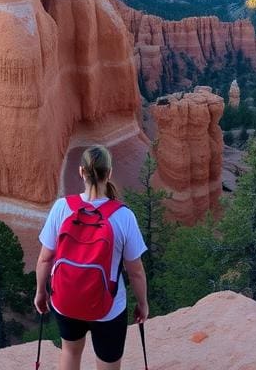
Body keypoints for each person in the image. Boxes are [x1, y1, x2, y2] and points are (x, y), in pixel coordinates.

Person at [35, 145, 149, 370]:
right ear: (109, 173)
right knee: (108, 361)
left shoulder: (61, 208)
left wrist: (41, 292)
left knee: (69, 352)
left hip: (66, 301)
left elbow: (45, 259)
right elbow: (135, 271)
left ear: (81, 172)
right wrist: (142, 303)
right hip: (109, 307)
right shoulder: (123, 216)